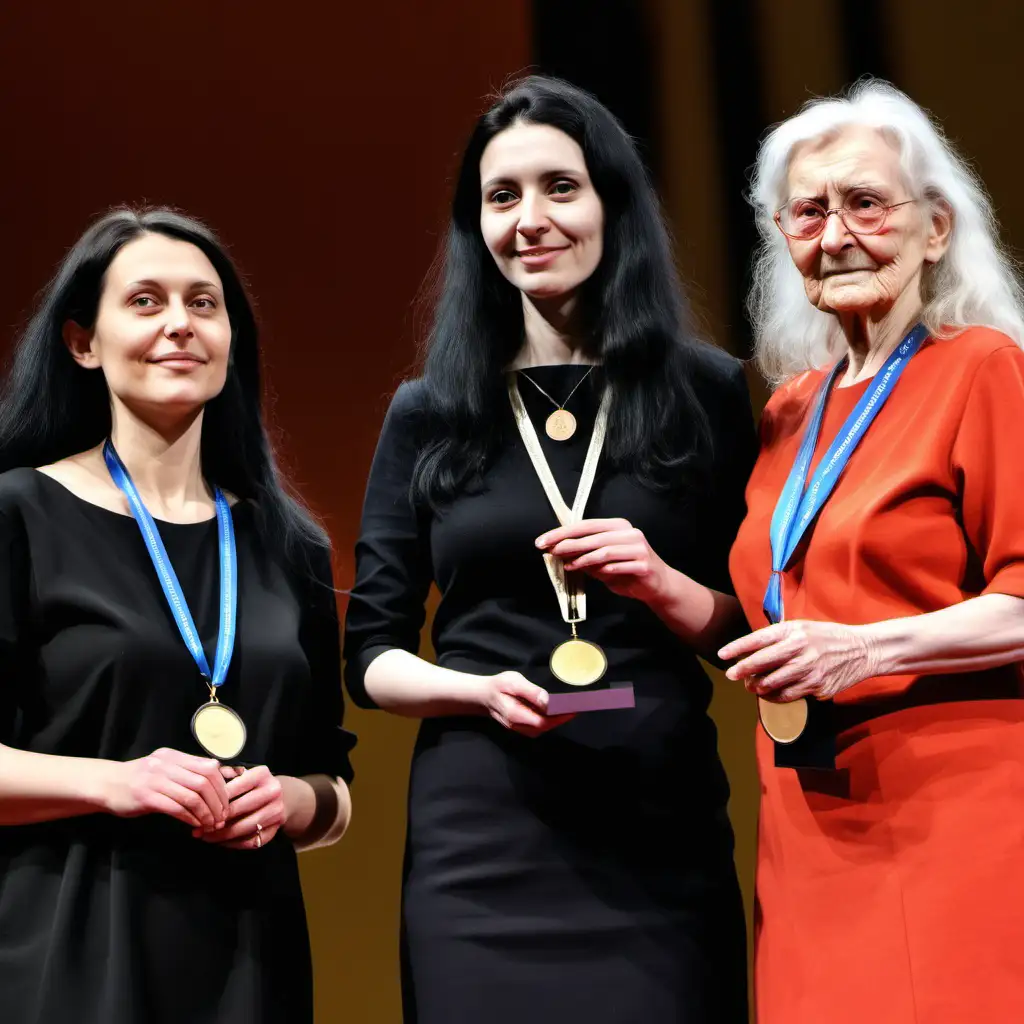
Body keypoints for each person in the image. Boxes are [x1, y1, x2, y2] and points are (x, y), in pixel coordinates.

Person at [343, 76, 754, 1023]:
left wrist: (661, 585)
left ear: (613, 202)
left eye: (560, 188)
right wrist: (472, 690)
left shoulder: (707, 392)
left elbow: (757, 628)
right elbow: (371, 654)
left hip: (658, 825)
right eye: (502, 196)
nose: (531, 219)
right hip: (481, 838)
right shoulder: (430, 411)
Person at [0, 207, 354, 1024]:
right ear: (82, 343)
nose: (179, 325)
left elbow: (333, 783)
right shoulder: (20, 515)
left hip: (249, 960)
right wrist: (117, 782)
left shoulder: (286, 541)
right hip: (71, 951)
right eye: (146, 302)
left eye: (204, 303)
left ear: (232, 341)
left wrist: (290, 802)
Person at [720, 81, 1024, 1022]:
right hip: (808, 819)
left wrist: (869, 648)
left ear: (935, 228)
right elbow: (779, 604)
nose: (835, 233)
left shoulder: (982, 368)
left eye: (864, 203)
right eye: (807, 212)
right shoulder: (790, 408)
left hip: (956, 816)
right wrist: (661, 588)